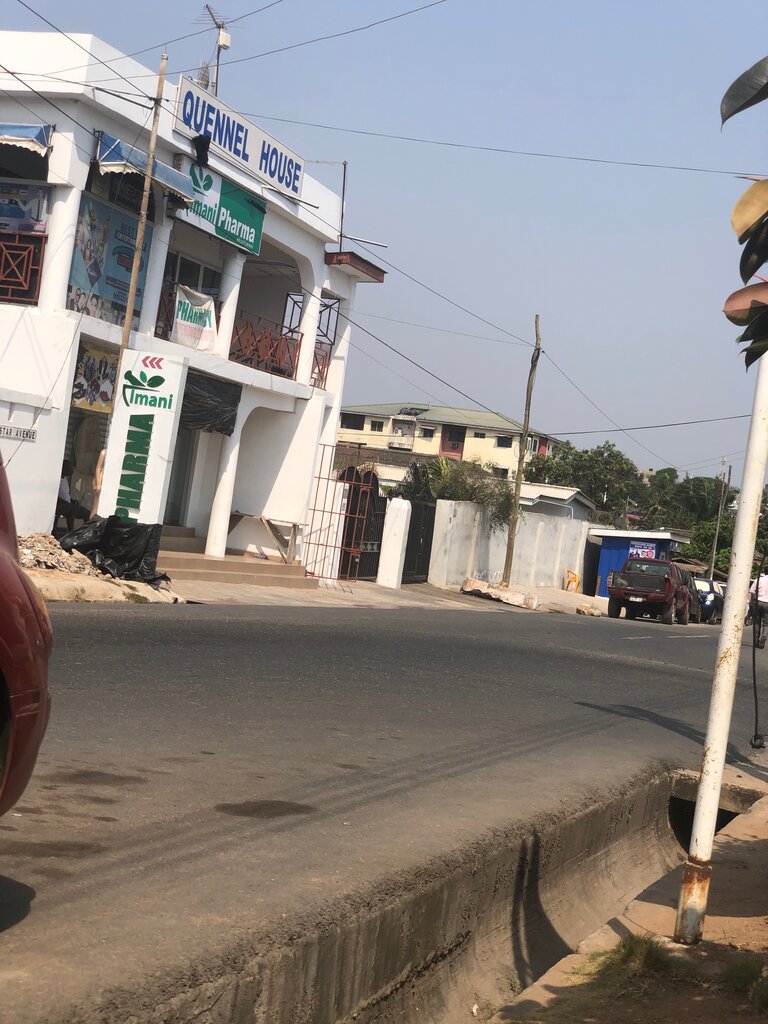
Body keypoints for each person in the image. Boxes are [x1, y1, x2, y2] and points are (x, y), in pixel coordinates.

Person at [56, 460, 87, 533]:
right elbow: (57, 496)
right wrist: (67, 504)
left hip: (68, 504)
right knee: (71, 511)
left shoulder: (65, 481)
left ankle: (84, 532)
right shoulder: (57, 480)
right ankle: (71, 532)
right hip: (61, 505)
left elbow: (66, 495)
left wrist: (72, 501)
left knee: (87, 513)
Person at [750, 569, 768, 649]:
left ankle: (756, 641)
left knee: (757, 622)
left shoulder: (759, 580)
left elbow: (752, 592)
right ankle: (764, 635)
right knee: (766, 623)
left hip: (758, 602)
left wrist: (753, 602)